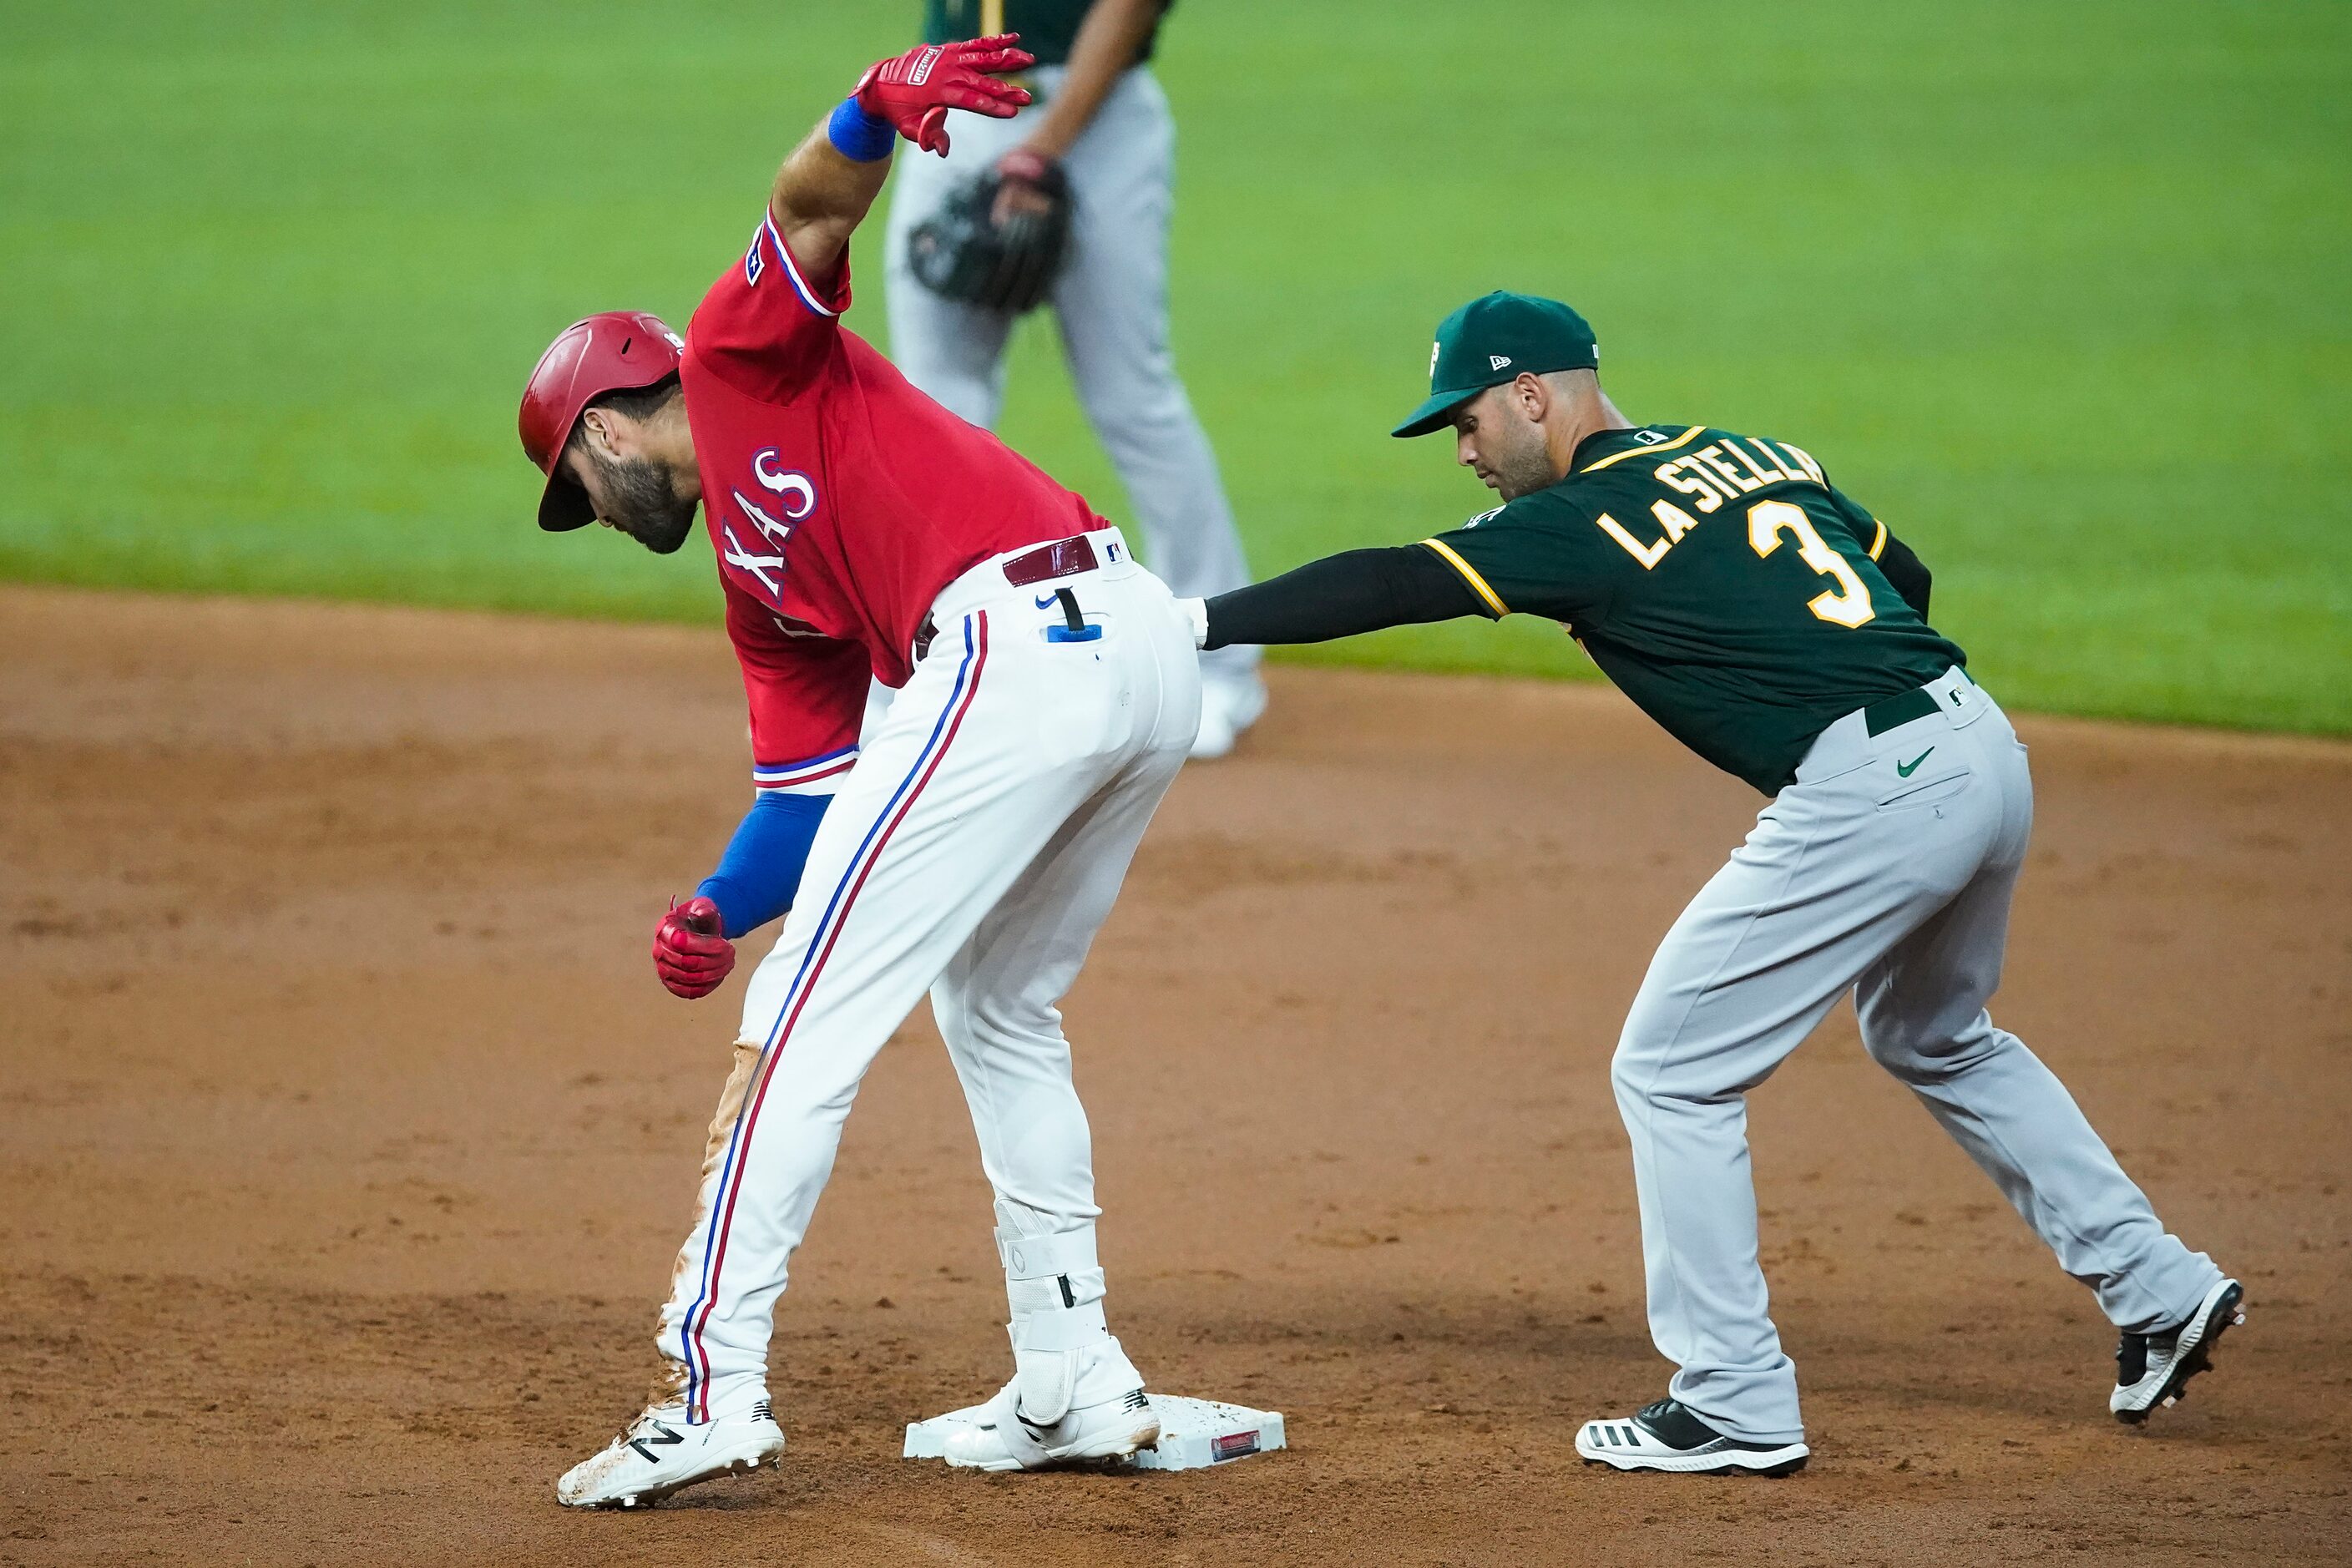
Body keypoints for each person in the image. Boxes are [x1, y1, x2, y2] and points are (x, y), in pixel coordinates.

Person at [1179, 291, 2243, 1475]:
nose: (1465, 451)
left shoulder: (1580, 521)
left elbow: (1390, 582)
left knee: (1672, 1069)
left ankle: (1732, 1393)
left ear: (1532, 394)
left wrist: (1197, 621)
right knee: (1935, 1032)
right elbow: (1908, 574)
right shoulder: (1754, 452)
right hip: (1978, 741)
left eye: (1467, 419)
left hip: (1873, 789)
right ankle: (2159, 1286)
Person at [514, 35, 1200, 1508]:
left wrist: (871, 106)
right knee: (1000, 1000)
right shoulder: (763, 599)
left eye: (577, 479)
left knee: (804, 1018)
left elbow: (809, 203)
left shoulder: (741, 349)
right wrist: (719, 899)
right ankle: (1073, 1369)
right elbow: (809, 794)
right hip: (1122, 652)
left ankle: (711, 1388)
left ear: (609, 416)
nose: (590, 507)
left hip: (1034, 637)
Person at [885, 0, 1265, 757]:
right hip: (949, 107)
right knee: (929, 409)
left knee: (1133, 398)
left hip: (1092, 115)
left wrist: (1040, 150)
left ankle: (1221, 667)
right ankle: (925, 664)